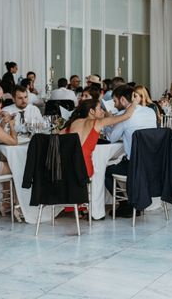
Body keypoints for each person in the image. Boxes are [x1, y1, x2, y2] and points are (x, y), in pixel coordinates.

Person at [104, 85, 157, 217]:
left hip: (135, 166)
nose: (115, 106)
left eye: (115, 101)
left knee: (107, 170)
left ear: (122, 100)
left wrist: (107, 122)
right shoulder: (150, 112)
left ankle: (125, 205)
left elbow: (111, 138)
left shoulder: (124, 116)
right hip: (153, 162)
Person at [61, 98, 137, 178]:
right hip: (84, 168)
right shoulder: (97, 123)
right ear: (92, 111)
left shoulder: (73, 122)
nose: (103, 111)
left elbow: (58, 137)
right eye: (100, 108)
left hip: (66, 167)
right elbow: (126, 115)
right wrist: (135, 102)